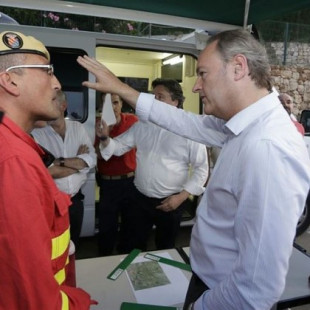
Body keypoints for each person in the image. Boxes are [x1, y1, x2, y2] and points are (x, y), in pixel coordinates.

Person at [77, 29, 310, 310]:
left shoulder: (268, 147)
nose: (197, 86)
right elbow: (185, 123)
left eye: (203, 73)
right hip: (212, 282)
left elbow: (255, 289)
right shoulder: (244, 126)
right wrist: (122, 89)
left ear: (238, 67)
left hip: (223, 296)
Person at [0, 31, 95, 309]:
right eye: (47, 72)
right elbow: (33, 298)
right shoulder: (13, 161)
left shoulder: (16, 148)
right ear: (11, 80)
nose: (56, 84)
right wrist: (79, 302)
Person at [95, 78, 208, 252]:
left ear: (175, 102)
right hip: (139, 199)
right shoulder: (143, 125)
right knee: (133, 246)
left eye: (160, 97)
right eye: (153, 96)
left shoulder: (189, 130)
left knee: (165, 247)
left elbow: (202, 169)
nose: (153, 101)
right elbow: (117, 148)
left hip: (172, 201)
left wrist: (181, 197)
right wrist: (104, 137)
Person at [32, 90, 96, 249]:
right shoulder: (37, 133)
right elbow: (46, 171)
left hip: (75, 202)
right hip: (50, 203)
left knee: (74, 246)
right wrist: (78, 164)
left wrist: (59, 161)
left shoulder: (77, 128)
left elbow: (92, 159)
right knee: (51, 247)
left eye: (52, 101)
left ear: (63, 106)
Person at [95, 93, 138, 255]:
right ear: (101, 107)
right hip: (108, 183)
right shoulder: (98, 125)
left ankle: (125, 257)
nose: (112, 107)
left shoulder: (132, 121)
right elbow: (97, 154)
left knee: (130, 223)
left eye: (115, 102)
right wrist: (105, 138)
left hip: (130, 181)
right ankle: (104, 259)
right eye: (107, 104)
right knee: (107, 225)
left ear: (121, 104)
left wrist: (108, 146)